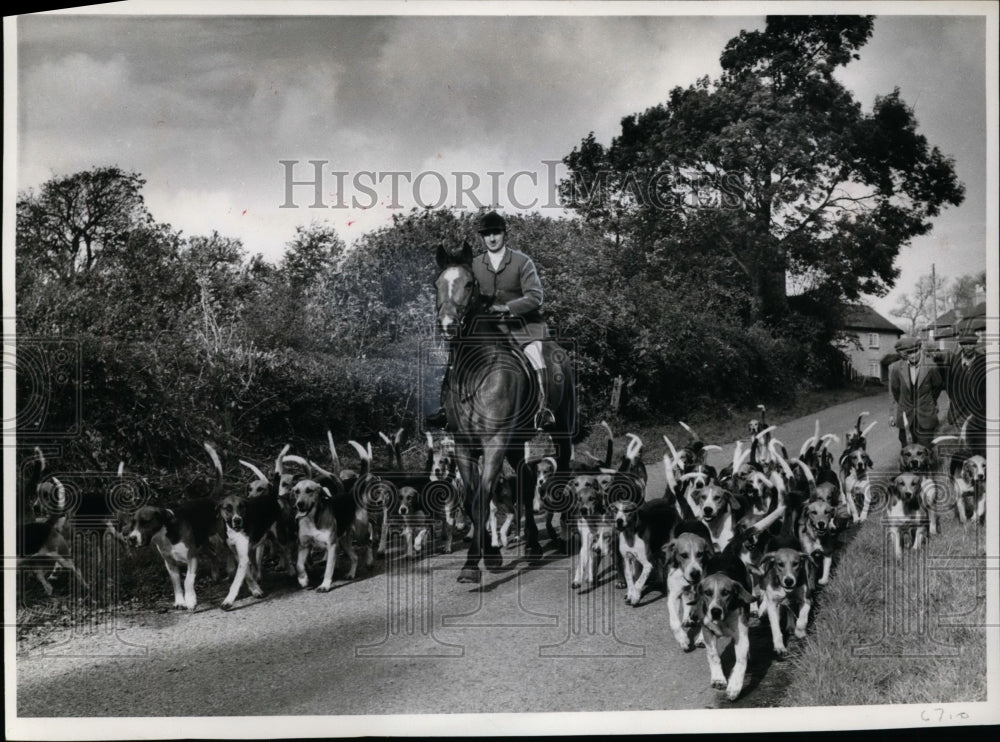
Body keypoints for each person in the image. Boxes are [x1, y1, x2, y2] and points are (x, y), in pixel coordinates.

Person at [426, 210, 556, 431]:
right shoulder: (473, 265)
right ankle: (446, 409)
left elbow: (536, 297)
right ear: (482, 238)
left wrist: (507, 307)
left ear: (505, 234)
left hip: (522, 327)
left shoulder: (522, 262)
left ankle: (543, 410)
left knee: (535, 355)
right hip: (486, 327)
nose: (492, 238)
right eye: (487, 234)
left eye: (496, 233)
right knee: (455, 355)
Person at [888, 335, 945, 448]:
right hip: (906, 417)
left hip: (926, 416)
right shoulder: (897, 368)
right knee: (906, 451)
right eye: (909, 353)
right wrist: (904, 403)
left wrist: (929, 401)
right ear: (905, 353)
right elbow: (895, 390)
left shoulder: (931, 366)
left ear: (920, 349)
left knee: (925, 451)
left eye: (915, 351)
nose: (913, 355)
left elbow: (937, 386)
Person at [935, 332, 986, 456]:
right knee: (963, 444)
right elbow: (947, 383)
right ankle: (965, 469)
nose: (968, 347)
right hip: (959, 412)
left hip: (978, 411)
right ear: (960, 345)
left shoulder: (984, 362)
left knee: (979, 442)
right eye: (965, 344)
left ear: (975, 345)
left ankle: (979, 468)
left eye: (971, 344)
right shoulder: (953, 362)